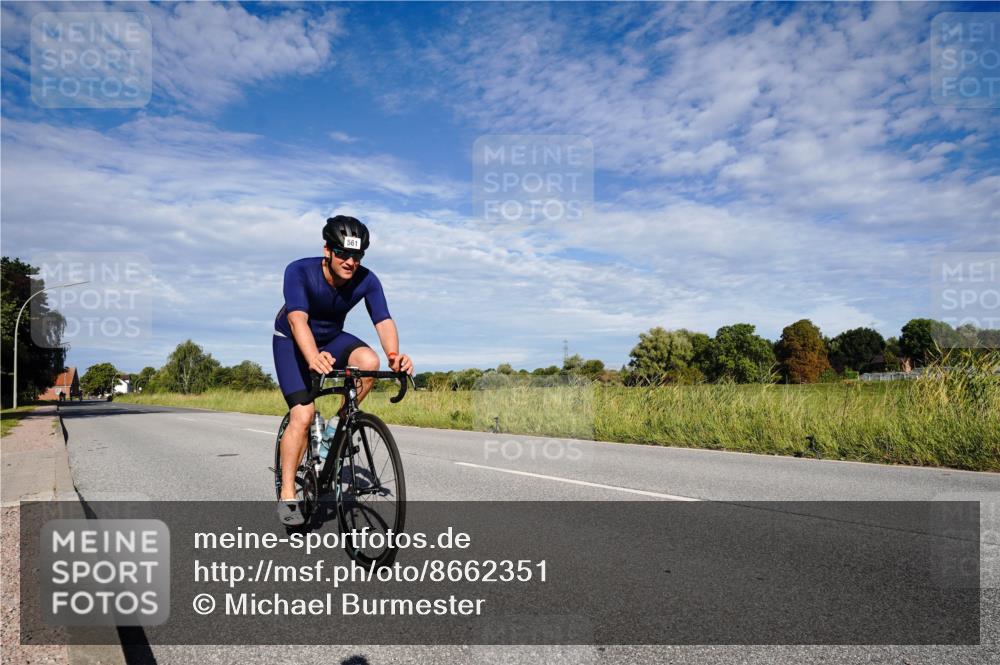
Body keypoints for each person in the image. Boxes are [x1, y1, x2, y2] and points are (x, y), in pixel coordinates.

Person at [272, 215, 413, 525]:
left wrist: (394, 355)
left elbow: (383, 319)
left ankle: (335, 428)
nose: (351, 261)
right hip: (292, 343)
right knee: (303, 415)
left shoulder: (367, 279)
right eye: (344, 254)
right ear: (327, 250)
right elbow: (297, 320)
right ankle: (288, 494)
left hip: (332, 339)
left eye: (358, 255)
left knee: (369, 362)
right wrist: (311, 356)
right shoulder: (298, 271)